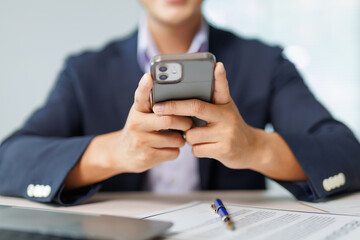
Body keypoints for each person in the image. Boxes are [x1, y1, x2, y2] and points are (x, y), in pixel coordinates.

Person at [0, 0, 359, 206]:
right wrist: (113, 152)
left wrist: (255, 147)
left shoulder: (265, 62)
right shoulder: (85, 71)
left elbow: (348, 154)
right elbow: (9, 160)